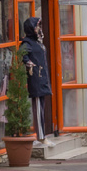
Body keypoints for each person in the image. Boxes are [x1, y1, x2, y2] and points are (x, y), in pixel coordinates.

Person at [19, 17, 54, 145]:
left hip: (42, 79)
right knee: (38, 109)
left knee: (41, 107)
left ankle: (42, 134)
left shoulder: (37, 42)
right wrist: (28, 63)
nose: (39, 29)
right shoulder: (28, 43)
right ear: (31, 29)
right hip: (36, 80)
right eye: (37, 26)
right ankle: (41, 137)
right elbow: (22, 53)